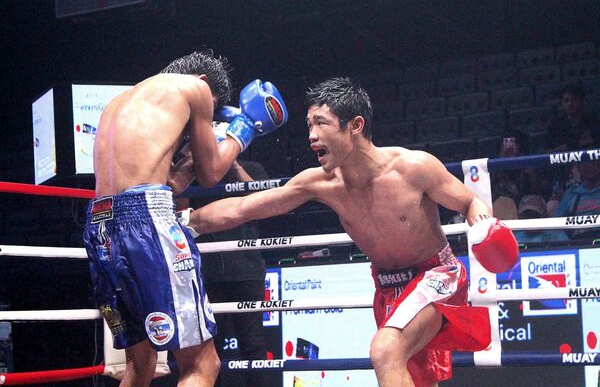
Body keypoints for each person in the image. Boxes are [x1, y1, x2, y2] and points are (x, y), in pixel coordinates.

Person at [180, 77, 519, 386]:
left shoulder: (413, 168)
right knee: (410, 374)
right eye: (309, 124)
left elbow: (469, 201)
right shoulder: (321, 182)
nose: (311, 135)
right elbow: (243, 208)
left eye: (321, 123)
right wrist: (185, 221)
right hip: (387, 285)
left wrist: (483, 225)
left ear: (355, 125)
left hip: (436, 274)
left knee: (386, 350)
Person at [82, 50, 288, 387]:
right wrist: (242, 130)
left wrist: (196, 152)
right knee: (202, 365)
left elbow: (171, 183)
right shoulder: (195, 88)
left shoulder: (121, 102)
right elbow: (211, 174)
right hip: (147, 221)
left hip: (99, 226)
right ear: (204, 82)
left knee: (139, 364)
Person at [182, 160, 273, 387]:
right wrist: (189, 169)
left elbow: (268, 204)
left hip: (247, 270)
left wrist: (235, 168)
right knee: (211, 350)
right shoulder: (196, 175)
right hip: (208, 273)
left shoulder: (252, 169)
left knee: (253, 345)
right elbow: (180, 214)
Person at [545, 84, 599, 153]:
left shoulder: (593, 122)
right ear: (562, 105)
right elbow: (547, 152)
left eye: (574, 99)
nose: (570, 103)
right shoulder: (554, 126)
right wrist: (575, 144)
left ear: (581, 102)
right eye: (566, 101)